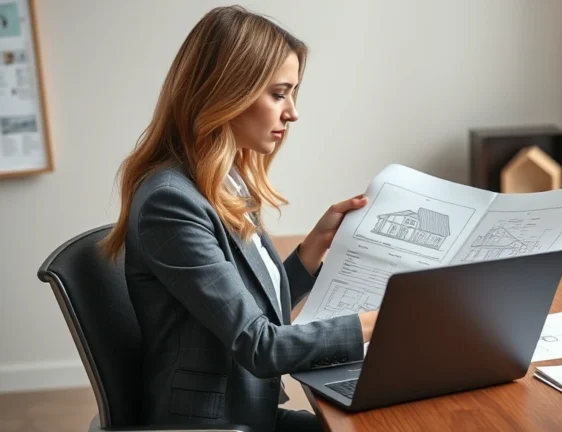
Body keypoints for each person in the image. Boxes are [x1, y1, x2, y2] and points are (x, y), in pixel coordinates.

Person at [100, 6, 378, 432]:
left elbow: (248, 307)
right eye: (279, 93)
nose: (292, 113)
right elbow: (259, 345)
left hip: (248, 410)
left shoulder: (222, 181)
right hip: (214, 424)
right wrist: (380, 321)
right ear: (226, 92)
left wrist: (308, 254)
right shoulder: (170, 203)